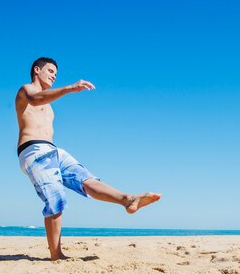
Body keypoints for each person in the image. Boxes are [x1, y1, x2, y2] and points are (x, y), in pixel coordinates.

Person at [16, 57, 161, 260]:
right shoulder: (27, 90)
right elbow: (36, 98)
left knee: (86, 180)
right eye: (50, 71)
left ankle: (128, 200)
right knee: (56, 199)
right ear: (36, 70)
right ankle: (56, 255)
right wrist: (69, 88)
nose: (54, 75)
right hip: (33, 150)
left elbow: (44, 101)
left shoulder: (50, 106)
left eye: (56, 73)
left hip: (53, 150)